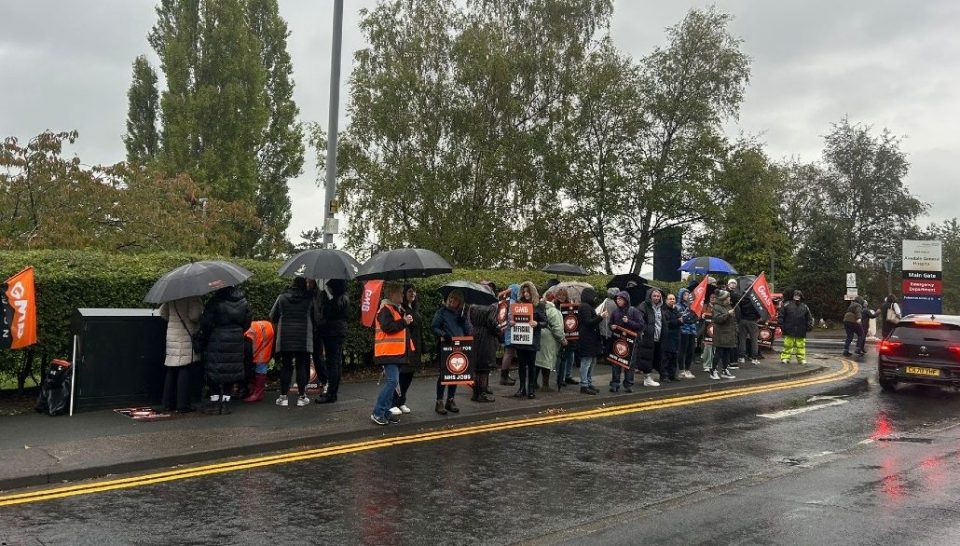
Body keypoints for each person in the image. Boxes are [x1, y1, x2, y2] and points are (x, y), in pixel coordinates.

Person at [198, 286, 252, 414]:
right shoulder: (243, 302)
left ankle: (215, 403)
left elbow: (205, 323)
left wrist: (208, 333)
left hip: (217, 338)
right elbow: (247, 322)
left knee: (214, 371)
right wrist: (237, 331)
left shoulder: (214, 301)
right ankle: (226, 404)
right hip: (236, 339)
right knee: (231, 371)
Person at [270, 277, 315, 408]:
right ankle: (302, 397)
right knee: (301, 366)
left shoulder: (282, 297)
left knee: (286, 366)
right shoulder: (309, 299)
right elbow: (316, 317)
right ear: (304, 285)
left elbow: (272, 315)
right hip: (303, 336)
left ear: (292, 284)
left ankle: (283, 397)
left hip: (285, 336)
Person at [371, 283, 412, 425]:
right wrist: (404, 321)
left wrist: (404, 320)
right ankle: (377, 413)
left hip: (394, 353)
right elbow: (388, 327)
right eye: (400, 292)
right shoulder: (385, 310)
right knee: (392, 382)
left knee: (393, 383)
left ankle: (385, 412)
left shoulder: (395, 309)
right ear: (391, 295)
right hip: (388, 353)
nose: (402, 295)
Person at [159, 296, 203, 413]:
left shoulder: (171, 296)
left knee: (171, 368)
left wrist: (174, 320)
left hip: (172, 335)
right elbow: (194, 316)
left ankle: (168, 403)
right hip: (185, 336)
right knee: (185, 368)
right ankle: (183, 405)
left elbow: (163, 313)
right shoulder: (192, 297)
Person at [431, 290, 471, 414]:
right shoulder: (442, 312)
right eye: (451, 297)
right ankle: (439, 401)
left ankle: (450, 400)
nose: (452, 300)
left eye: (455, 298)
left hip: (459, 347)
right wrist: (443, 334)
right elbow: (434, 327)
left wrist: (463, 321)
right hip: (446, 346)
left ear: (460, 302)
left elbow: (468, 330)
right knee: (444, 374)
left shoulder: (460, 314)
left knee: (455, 374)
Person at [313, 279, 350, 404]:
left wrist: (324, 300)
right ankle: (333, 392)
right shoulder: (345, 298)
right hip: (340, 332)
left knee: (332, 364)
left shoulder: (334, 301)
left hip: (331, 333)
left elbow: (326, 316)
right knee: (337, 363)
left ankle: (331, 394)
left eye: (329, 287)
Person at [391, 284, 423, 414]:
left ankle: (401, 401)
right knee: (401, 376)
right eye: (410, 291)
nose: (413, 293)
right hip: (406, 347)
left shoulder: (414, 309)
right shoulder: (401, 309)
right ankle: (393, 402)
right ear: (404, 293)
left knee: (409, 376)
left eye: (414, 291)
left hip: (415, 347)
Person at [512, 281, 547, 399]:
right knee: (521, 365)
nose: (526, 294)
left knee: (531, 365)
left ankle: (531, 388)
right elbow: (513, 320)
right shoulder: (519, 304)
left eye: (528, 292)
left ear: (533, 292)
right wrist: (512, 323)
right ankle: (522, 388)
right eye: (524, 292)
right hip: (520, 340)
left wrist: (537, 323)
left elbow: (545, 322)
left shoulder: (539, 305)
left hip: (532, 340)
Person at [609, 291, 647, 392]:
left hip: (631, 342)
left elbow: (641, 325)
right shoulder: (615, 312)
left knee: (629, 364)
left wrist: (628, 322)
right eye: (617, 299)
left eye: (620, 299)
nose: (618, 301)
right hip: (618, 341)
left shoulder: (633, 311)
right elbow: (610, 323)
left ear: (626, 300)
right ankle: (615, 384)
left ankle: (628, 384)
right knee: (616, 363)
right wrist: (611, 327)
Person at [468, 298, 499, 403]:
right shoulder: (492, 307)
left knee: (477, 367)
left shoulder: (473, 306)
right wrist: (498, 332)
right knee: (484, 368)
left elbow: (470, 320)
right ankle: (482, 393)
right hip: (486, 337)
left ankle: (475, 393)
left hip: (474, 334)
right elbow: (491, 322)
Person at [577, 287, 607, 394]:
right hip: (587, 338)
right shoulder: (585, 307)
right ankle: (584, 385)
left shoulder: (587, 306)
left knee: (591, 362)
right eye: (593, 295)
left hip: (591, 338)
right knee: (586, 362)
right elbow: (588, 322)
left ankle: (588, 383)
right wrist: (600, 317)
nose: (595, 298)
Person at [535, 294, 565, 392]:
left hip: (538, 336)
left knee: (537, 361)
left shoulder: (539, 308)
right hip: (549, 339)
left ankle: (533, 382)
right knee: (546, 362)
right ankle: (545, 385)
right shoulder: (554, 311)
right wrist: (562, 339)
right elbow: (557, 328)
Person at [637, 289, 666, 386]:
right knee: (647, 357)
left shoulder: (661, 307)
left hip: (658, 336)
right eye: (654, 296)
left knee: (655, 357)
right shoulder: (644, 306)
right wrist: (645, 331)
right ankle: (647, 378)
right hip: (648, 336)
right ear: (650, 296)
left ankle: (650, 377)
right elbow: (640, 320)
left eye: (658, 296)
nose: (657, 298)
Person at [242, 320, 274, 403]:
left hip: (266, 334)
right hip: (265, 331)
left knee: (261, 360)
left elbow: (248, 359)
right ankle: (255, 391)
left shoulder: (246, 337)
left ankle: (257, 393)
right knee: (258, 361)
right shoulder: (245, 334)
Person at [779, 290, 814, 365]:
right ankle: (785, 358)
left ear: (801, 296)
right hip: (789, 328)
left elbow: (809, 318)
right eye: (795, 295)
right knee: (787, 345)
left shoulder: (804, 306)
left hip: (801, 329)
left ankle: (801, 359)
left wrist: (809, 326)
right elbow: (781, 316)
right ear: (793, 296)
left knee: (801, 346)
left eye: (798, 295)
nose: (797, 297)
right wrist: (782, 326)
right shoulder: (786, 305)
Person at [553, 288, 578, 386]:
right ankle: (560, 377)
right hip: (560, 334)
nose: (561, 297)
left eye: (563, 295)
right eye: (560, 295)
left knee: (571, 356)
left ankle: (568, 376)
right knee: (561, 357)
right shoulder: (554, 305)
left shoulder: (569, 304)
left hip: (570, 334)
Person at [710, 290, 737, 380]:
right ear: (724, 298)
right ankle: (713, 370)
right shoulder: (716, 307)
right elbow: (717, 319)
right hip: (720, 334)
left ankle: (724, 369)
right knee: (718, 353)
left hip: (729, 334)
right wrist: (728, 314)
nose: (730, 298)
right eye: (728, 297)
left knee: (727, 353)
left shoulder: (729, 306)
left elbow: (733, 319)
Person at [499, 284, 520, 386]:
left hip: (507, 330)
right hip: (511, 331)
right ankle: (504, 377)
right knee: (509, 353)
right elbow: (511, 318)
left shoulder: (506, 302)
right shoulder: (513, 303)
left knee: (508, 353)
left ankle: (505, 375)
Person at [737, 282, 762, 365]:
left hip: (742, 320)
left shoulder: (742, 297)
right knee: (754, 340)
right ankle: (754, 358)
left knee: (742, 339)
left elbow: (738, 310)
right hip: (753, 321)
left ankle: (741, 357)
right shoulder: (755, 298)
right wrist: (757, 317)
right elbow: (759, 310)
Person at [676, 288, 698, 379]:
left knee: (691, 351)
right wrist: (688, 319)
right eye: (685, 295)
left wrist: (689, 319)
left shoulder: (692, 306)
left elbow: (695, 317)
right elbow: (682, 318)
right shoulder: (678, 306)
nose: (687, 296)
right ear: (681, 296)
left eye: (688, 295)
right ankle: (681, 370)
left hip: (692, 331)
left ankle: (688, 369)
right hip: (683, 331)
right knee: (682, 351)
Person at [661, 293, 682, 382]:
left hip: (676, 336)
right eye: (670, 299)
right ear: (666, 300)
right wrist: (677, 321)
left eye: (673, 299)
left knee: (674, 356)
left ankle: (672, 375)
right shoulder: (663, 310)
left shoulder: (676, 309)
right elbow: (666, 323)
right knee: (666, 357)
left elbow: (680, 320)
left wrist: (681, 321)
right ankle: (664, 375)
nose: (672, 300)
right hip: (667, 336)